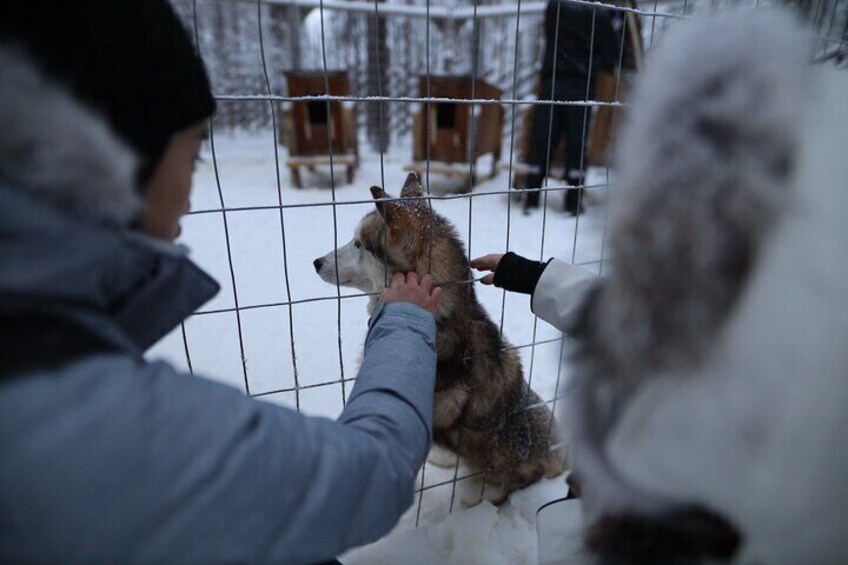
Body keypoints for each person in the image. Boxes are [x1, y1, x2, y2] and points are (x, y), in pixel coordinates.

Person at [0, 2, 442, 563]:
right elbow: (369, 475)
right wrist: (402, 321)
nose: (190, 189)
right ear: (119, 159)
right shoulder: (91, 416)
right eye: (194, 153)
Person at [524, 0, 623, 215]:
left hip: (553, 82)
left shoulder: (556, 6)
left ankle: (531, 198)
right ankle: (573, 202)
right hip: (581, 84)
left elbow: (550, 31)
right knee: (576, 144)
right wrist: (615, 21)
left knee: (544, 139)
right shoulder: (598, 13)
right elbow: (612, 55)